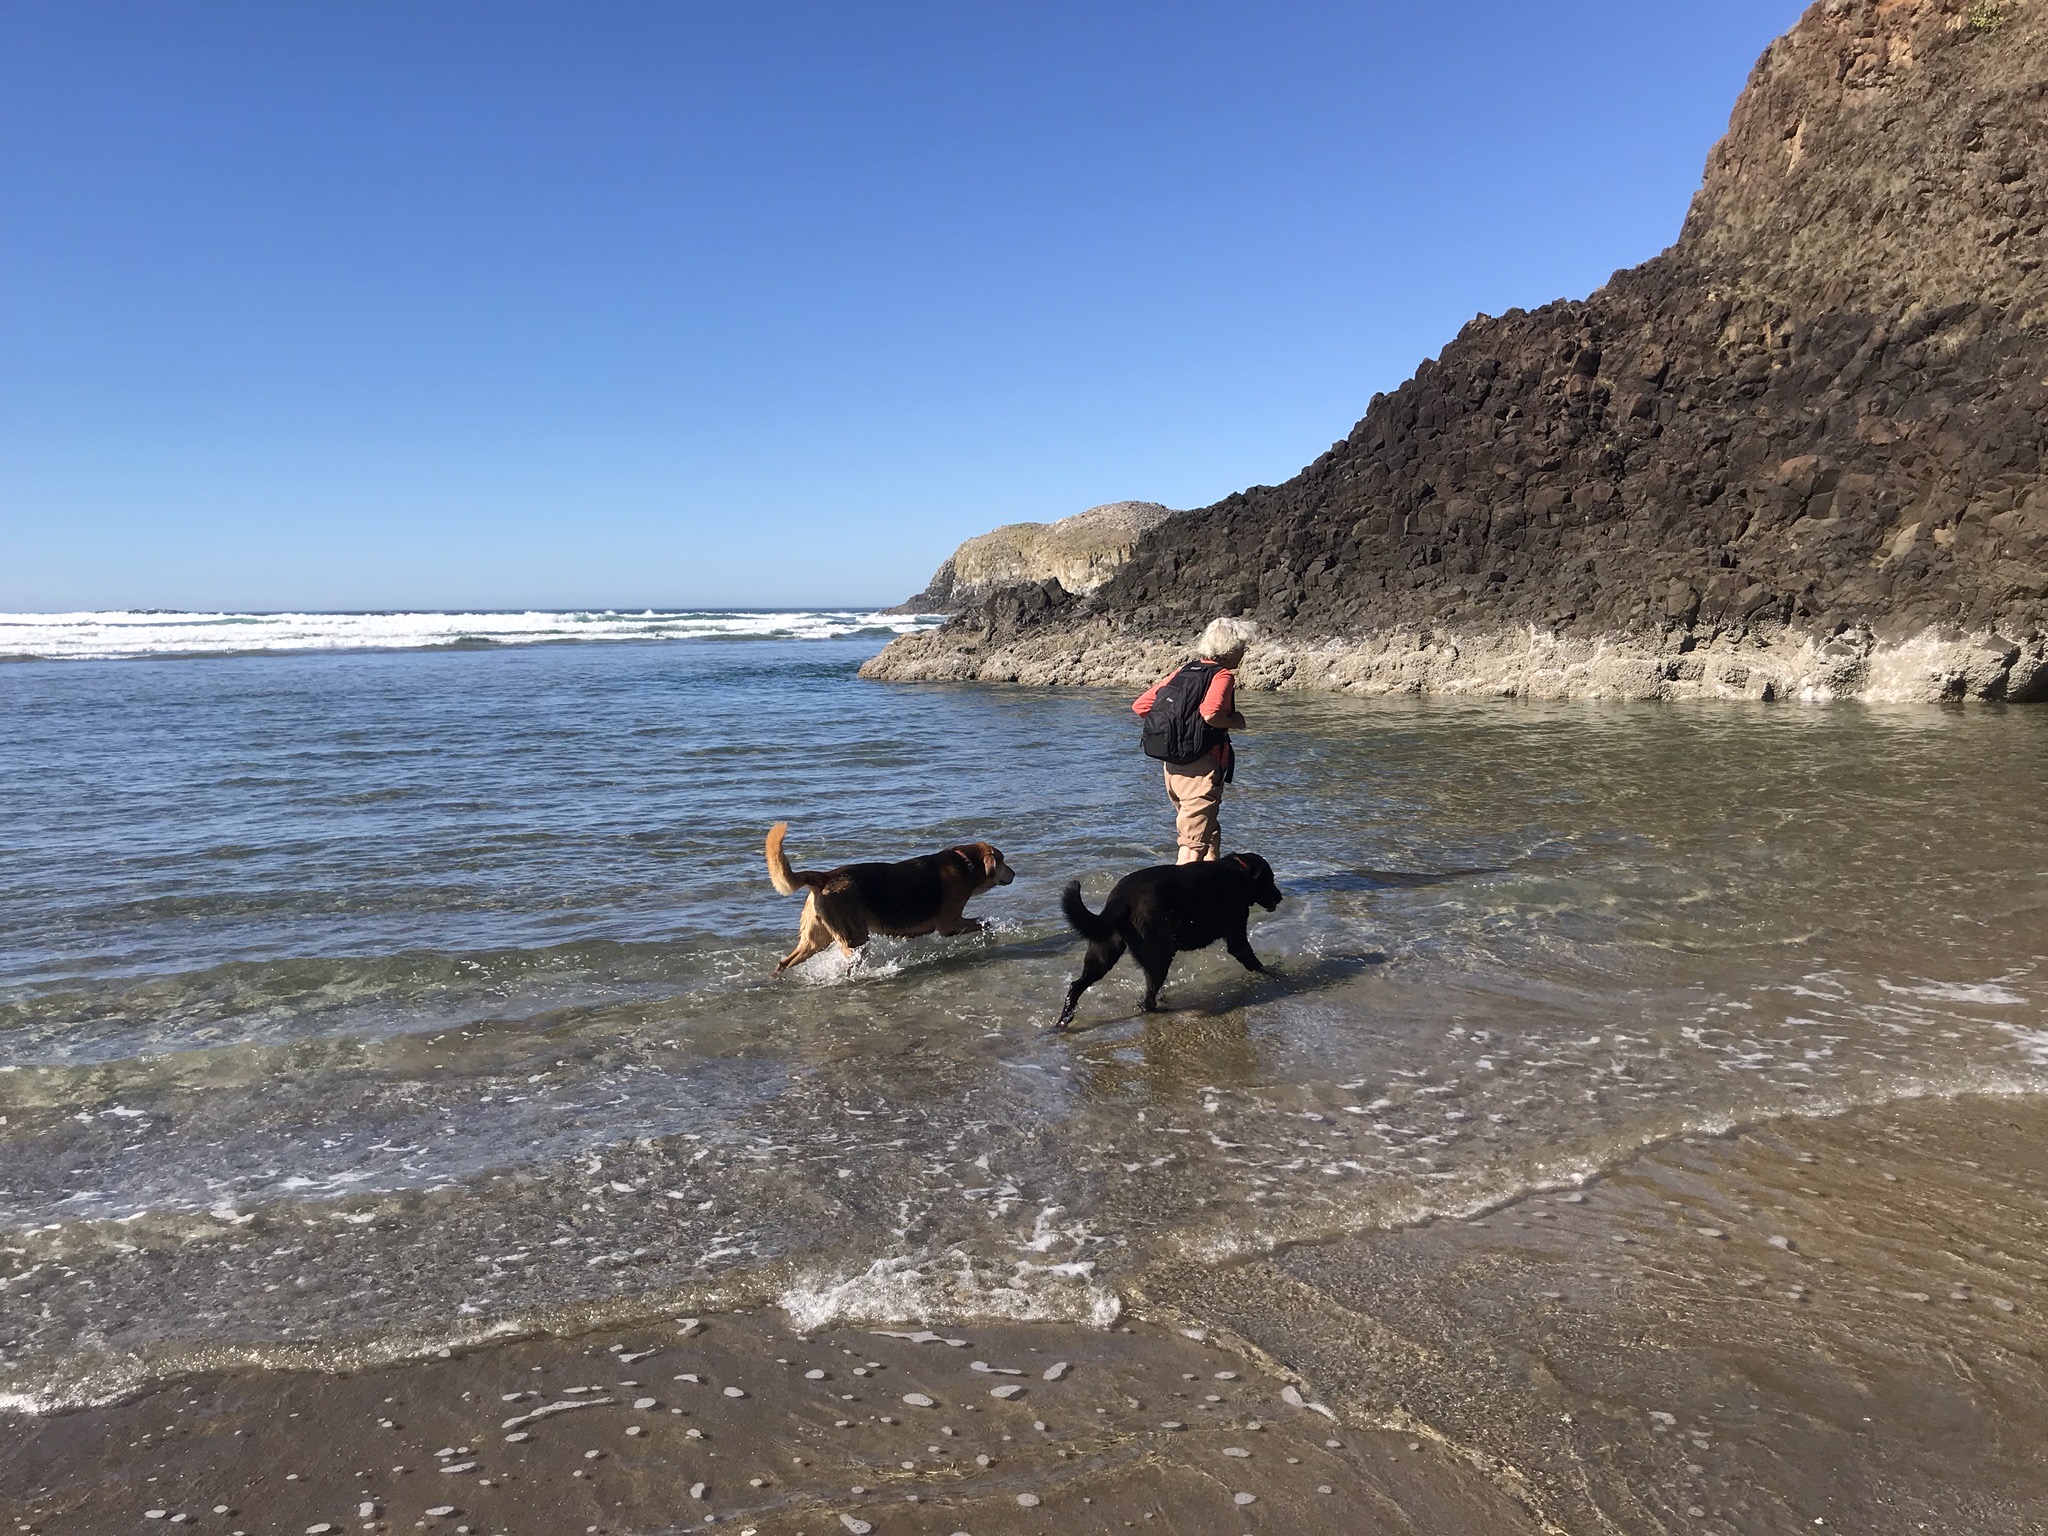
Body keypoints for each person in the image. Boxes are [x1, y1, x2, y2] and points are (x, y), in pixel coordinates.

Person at [1131, 618, 1254, 863]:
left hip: (1173, 768)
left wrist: (1181, 726)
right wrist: (1235, 721)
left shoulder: (1185, 670)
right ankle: (1180, 899)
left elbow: (1142, 705)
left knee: (1209, 831)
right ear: (1230, 649)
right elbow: (1210, 713)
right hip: (1201, 768)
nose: (1244, 652)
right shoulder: (1222, 676)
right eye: (1242, 646)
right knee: (1192, 846)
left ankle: (1211, 890)